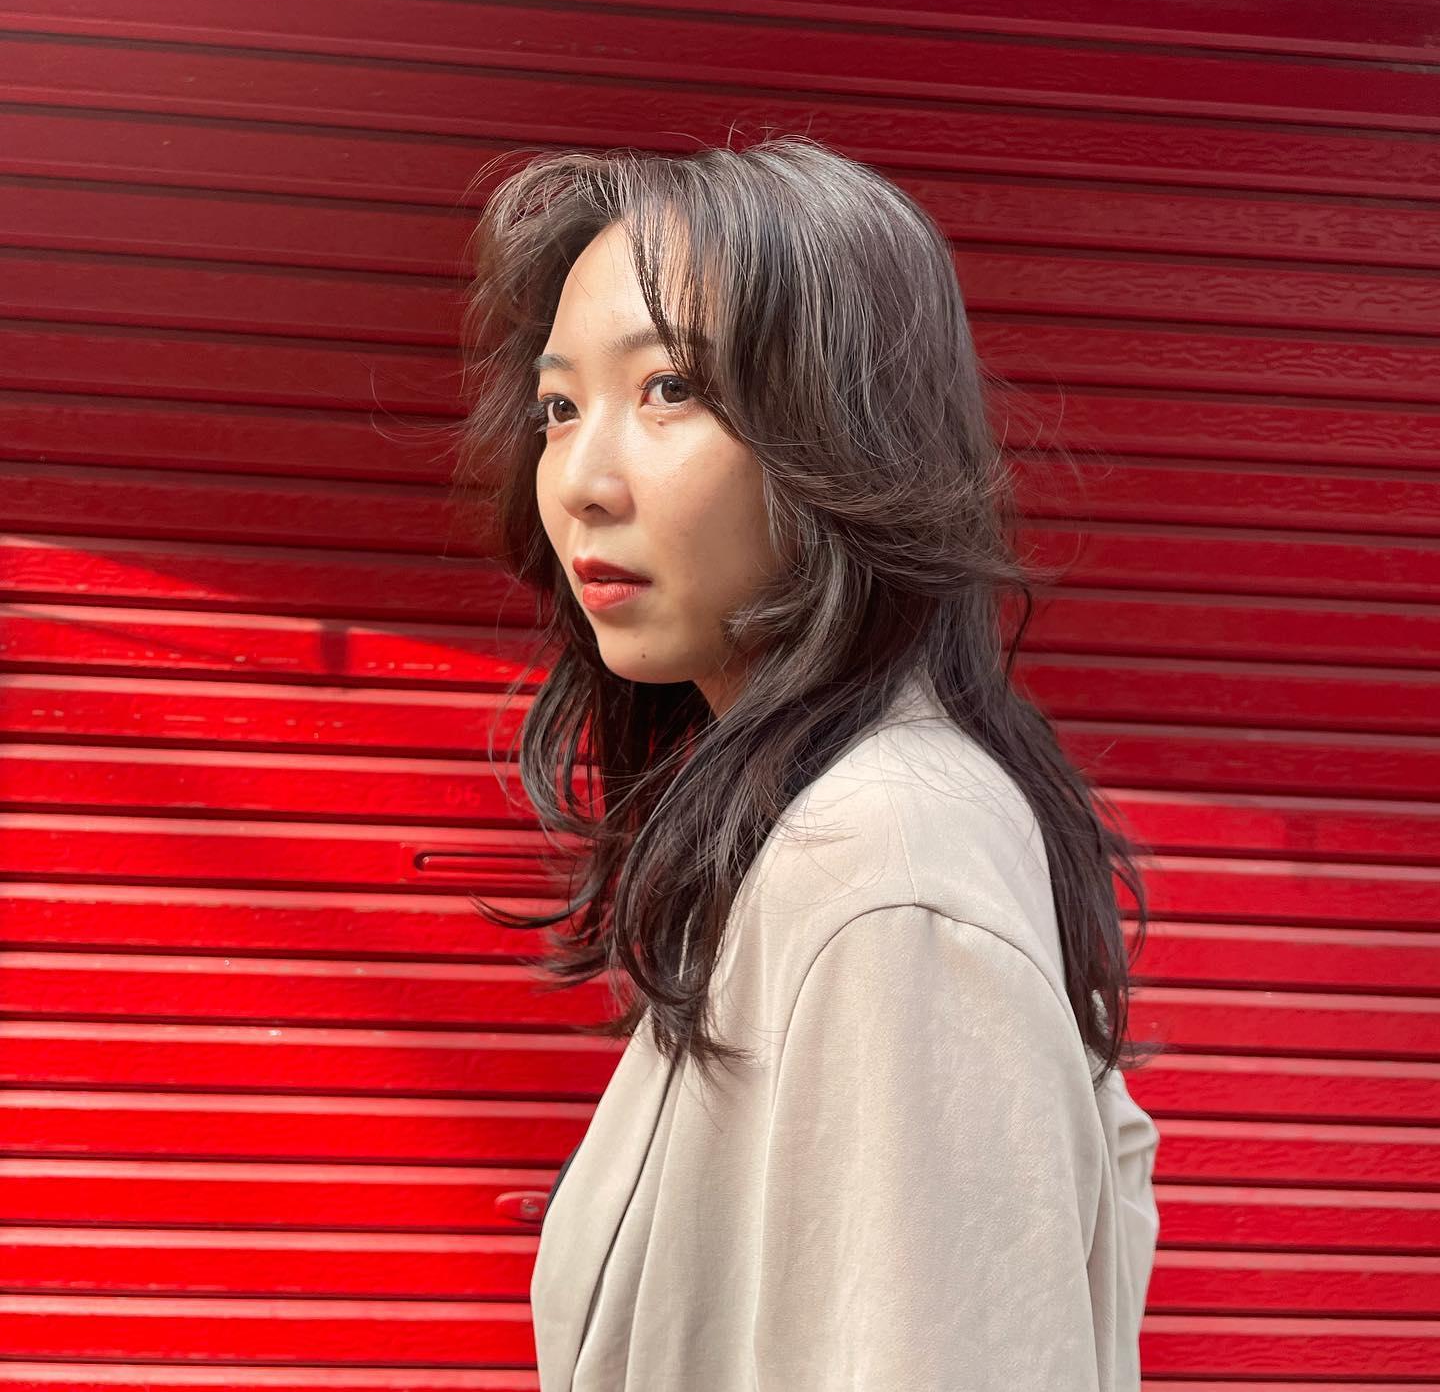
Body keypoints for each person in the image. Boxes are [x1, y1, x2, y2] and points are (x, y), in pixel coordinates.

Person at [453, 133, 1165, 1390]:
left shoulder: (887, 864)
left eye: (669, 387)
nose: (581, 482)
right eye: (561, 407)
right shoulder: (818, 829)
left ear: (848, 433)